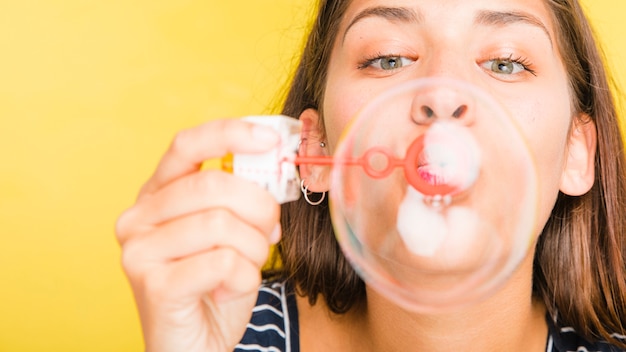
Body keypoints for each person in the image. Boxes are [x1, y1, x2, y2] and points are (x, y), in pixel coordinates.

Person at [115, 0, 626, 351]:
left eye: (506, 64)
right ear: (314, 150)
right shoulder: (225, 331)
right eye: (388, 58)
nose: (442, 93)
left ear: (575, 153)